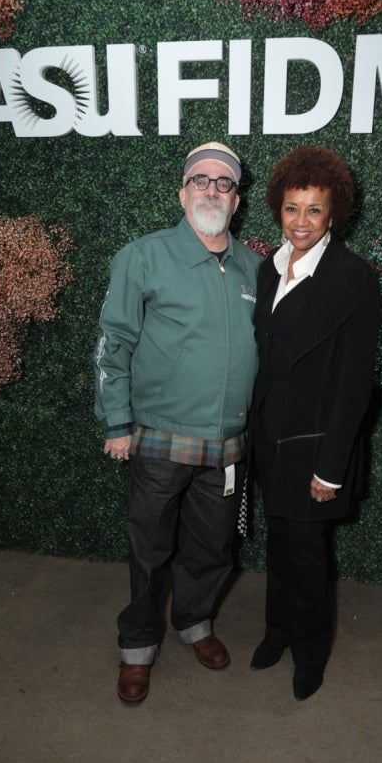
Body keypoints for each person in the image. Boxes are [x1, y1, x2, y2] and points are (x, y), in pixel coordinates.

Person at [93, 141, 260, 705]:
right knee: (150, 550)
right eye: (201, 180)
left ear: (237, 200)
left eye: (224, 183)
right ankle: (138, 646)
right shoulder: (141, 257)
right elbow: (112, 345)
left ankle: (195, 624)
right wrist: (117, 422)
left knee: (213, 548)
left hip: (230, 446)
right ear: (182, 192)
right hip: (158, 439)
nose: (211, 190)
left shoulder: (256, 267)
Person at [248, 145, 382, 700]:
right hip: (268, 435)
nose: (301, 221)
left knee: (305, 553)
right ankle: (277, 630)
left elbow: (355, 385)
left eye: (314, 210)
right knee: (278, 544)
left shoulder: (354, 279)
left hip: (316, 445)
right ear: (279, 209)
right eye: (291, 208)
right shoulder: (267, 268)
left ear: (334, 215)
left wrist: (331, 468)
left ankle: (309, 652)